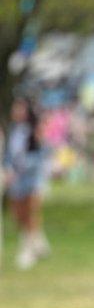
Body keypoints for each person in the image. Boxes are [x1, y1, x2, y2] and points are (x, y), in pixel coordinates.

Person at [3, 98, 52, 270]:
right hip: (16, 179)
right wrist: (8, 169)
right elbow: (8, 154)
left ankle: (28, 250)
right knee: (19, 215)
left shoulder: (36, 131)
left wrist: (21, 168)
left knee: (31, 213)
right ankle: (39, 244)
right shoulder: (13, 131)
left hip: (31, 179)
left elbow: (41, 155)